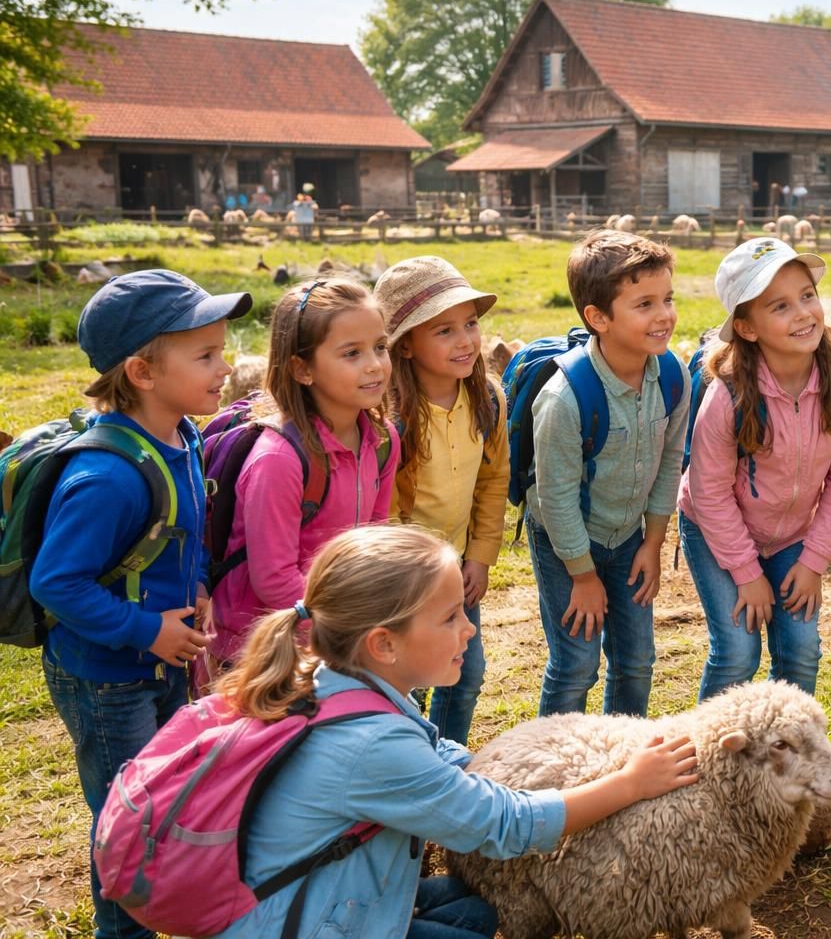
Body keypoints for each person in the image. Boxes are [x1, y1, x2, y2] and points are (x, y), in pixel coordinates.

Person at [213, 524, 699, 939]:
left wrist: (529, 762)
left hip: (311, 893)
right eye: (449, 617)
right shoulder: (371, 746)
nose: (468, 629)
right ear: (383, 644)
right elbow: (505, 827)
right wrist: (630, 782)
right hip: (295, 922)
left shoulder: (343, 683)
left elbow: (438, 753)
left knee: (475, 911)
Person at [33, 270, 251, 939]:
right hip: (105, 679)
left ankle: (155, 902)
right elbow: (56, 583)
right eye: (206, 355)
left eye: (223, 349)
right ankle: (121, 929)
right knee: (124, 819)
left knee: (157, 801)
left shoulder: (182, 435)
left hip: (154, 663)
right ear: (141, 371)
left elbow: (173, 536)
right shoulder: (105, 477)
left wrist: (201, 586)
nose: (227, 367)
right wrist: (144, 629)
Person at [678, 237, 831, 700]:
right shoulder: (727, 396)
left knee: (801, 649)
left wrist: (814, 562)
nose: (803, 313)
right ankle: (709, 761)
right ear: (746, 328)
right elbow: (708, 493)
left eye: (807, 295)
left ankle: (788, 759)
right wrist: (746, 573)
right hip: (715, 530)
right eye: (780, 306)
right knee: (736, 650)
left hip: (792, 537)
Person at [526, 230, 687, 717]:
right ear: (598, 318)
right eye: (644, 304)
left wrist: (653, 544)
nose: (664, 315)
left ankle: (624, 761)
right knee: (577, 662)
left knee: (637, 661)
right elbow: (554, 498)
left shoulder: (672, 375)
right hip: (566, 543)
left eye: (668, 299)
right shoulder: (565, 399)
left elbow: (669, 463)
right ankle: (553, 770)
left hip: (630, 539)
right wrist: (583, 575)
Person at [209, 279, 400, 665]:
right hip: (263, 655)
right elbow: (274, 578)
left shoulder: (383, 440)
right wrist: (344, 637)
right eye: (351, 353)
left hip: (334, 640)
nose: (375, 365)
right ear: (302, 369)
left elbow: (371, 542)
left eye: (380, 347)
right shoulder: (277, 459)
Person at [375, 256, 509, 745]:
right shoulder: (389, 418)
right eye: (444, 330)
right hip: (402, 578)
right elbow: (382, 508)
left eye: (470, 324)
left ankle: (447, 756)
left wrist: (480, 556)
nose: (466, 341)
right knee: (402, 683)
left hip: (457, 569)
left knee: (466, 672)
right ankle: (407, 760)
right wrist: (407, 574)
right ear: (404, 345)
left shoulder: (487, 399)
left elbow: (493, 483)